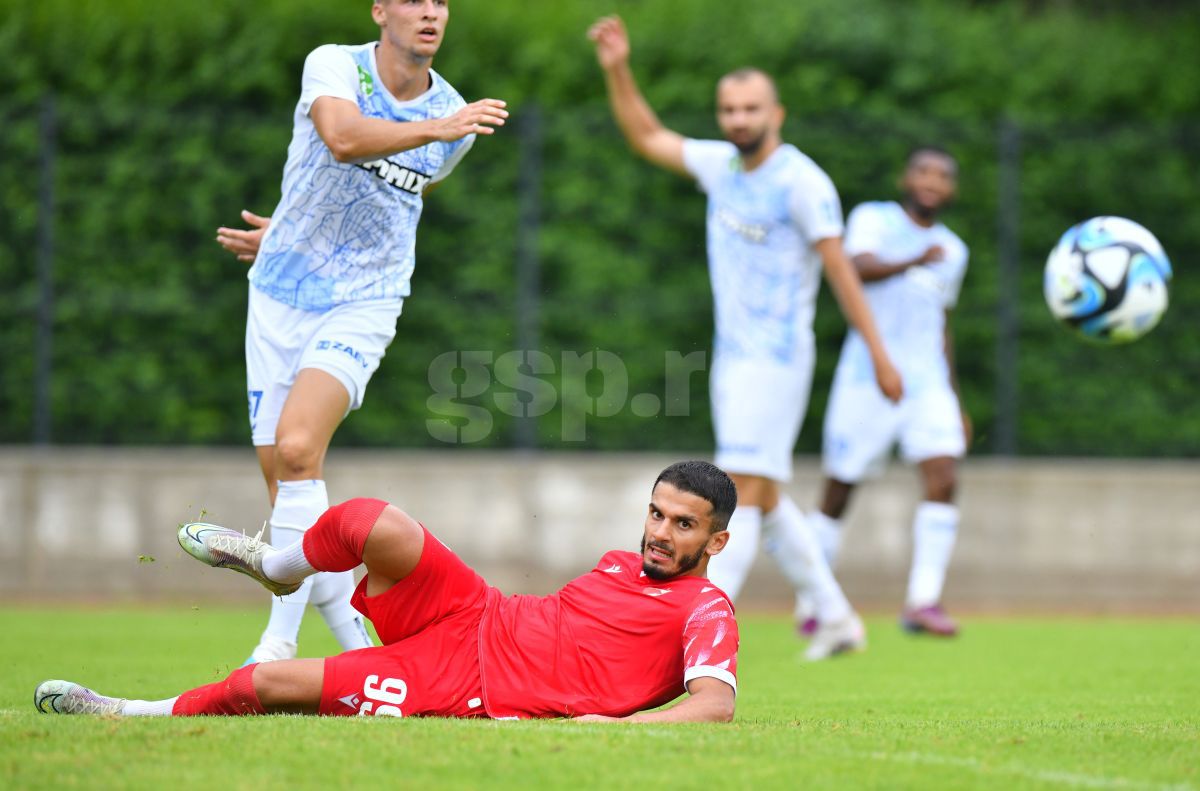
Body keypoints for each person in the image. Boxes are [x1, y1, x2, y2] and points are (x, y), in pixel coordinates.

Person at [588, 16, 903, 660]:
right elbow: (648, 135)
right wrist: (618, 66)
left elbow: (841, 270)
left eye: (750, 108)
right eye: (728, 109)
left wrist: (877, 353)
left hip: (779, 361)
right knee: (765, 495)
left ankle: (702, 627)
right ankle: (838, 618)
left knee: (733, 492)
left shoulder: (803, 183)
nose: (738, 118)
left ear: (776, 112)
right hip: (734, 360)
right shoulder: (719, 165)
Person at [213, 0, 509, 665]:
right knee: (293, 493)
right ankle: (355, 646)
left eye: (442, 3)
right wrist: (289, 231)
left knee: (296, 450)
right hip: (279, 295)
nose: (430, 13)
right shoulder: (335, 66)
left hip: (366, 300)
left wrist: (439, 129)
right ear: (381, 10)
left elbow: (407, 192)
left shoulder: (454, 119)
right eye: (414, 0)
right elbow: (344, 138)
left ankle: (275, 646)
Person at [35, 461, 739, 723]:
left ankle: (125, 709)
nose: (659, 532)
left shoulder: (706, 607)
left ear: (716, 542)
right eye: (656, 513)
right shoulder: (621, 561)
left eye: (682, 525)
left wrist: (617, 728)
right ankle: (281, 566)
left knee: (270, 682)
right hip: (477, 610)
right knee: (369, 519)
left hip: (468, 682)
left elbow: (714, 703)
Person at [810, 147, 970, 637]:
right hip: (869, 377)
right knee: (841, 488)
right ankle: (814, 600)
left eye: (942, 175)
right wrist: (915, 258)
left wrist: (956, 395)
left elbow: (942, 322)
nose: (931, 181)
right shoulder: (873, 219)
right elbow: (857, 267)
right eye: (923, 171)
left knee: (943, 474)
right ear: (907, 177)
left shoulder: (955, 250)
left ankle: (923, 602)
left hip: (926, 384)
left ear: (952, 189)